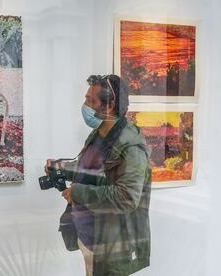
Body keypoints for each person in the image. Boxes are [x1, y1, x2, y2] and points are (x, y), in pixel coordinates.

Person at [45, 75, 152, 276]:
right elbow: (92, 169)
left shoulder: (131, 147)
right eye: (86, 99)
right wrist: (62, 167)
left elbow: (127, 197)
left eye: (90, 101)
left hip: (110, 244)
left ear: (110, 105)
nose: (85, 106)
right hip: (90, 235)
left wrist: (77, 192)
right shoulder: (100, 133)